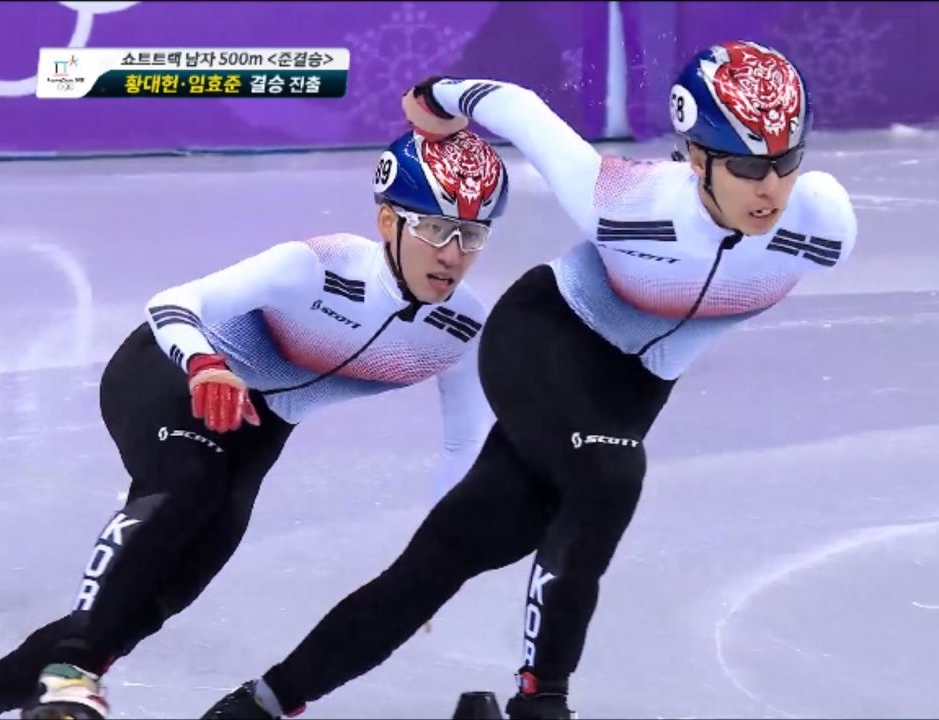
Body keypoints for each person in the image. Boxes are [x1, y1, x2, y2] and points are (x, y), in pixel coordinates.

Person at [200, 39, 858, 720]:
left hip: (628, 396)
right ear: (697, 158)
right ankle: (543, 703)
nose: (771, 187)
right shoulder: (625, 201)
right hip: (545, 339)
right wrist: (438, 101)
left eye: (786, 162)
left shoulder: (824, 222)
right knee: (608, 477)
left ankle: (264, 701)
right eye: (750, 165)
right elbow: (521, 111)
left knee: (449, 554)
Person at [0, 127, 512, 720]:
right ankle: (71, 674)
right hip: (174, 372)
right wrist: (207, 365)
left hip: (257, 431)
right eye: (436, 229)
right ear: (389, 221)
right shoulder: (316, 265)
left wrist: (440, 551)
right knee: (190, 484)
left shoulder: (463, 330)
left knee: (159, 596)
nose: (453, 254)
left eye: (473, 235)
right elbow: (171, 305)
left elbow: (466, 442)